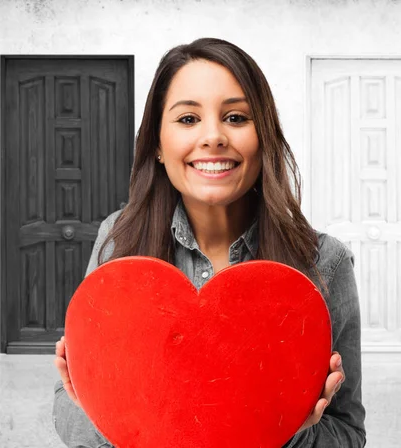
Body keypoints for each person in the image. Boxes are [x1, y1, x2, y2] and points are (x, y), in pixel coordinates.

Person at [53, 37, 366, 448]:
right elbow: (66, 407)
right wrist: (103, 413)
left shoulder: (324, 261)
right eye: (187, 120)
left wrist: (286, 431)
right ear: (158, 146)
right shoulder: (119, 240)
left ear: (264, 138)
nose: (213, 136)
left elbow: (348, 433)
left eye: (236, 117)